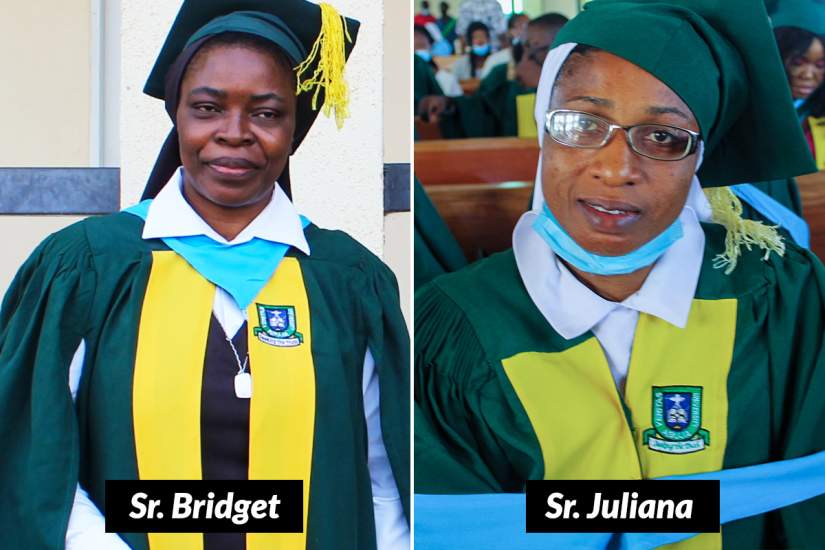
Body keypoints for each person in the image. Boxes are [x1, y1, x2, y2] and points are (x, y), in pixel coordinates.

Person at [0, 1, 410, 549]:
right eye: (208, 108)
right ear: (177, 114)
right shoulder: (88, 268)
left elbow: (384, 481)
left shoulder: (347, 281)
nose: (234, 133)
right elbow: (37, 457)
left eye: (266, 113)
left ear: (294, 125)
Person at [415, 0, 825, 548]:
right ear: (544, 125)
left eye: (664, 137)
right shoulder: (453, 331)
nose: (616, 168)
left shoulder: (783, 300)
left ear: (700, 157)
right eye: (582, 123)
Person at [418, 13, 568, 138]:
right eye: (525, 48)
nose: (525, 57)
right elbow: (480, 109)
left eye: (534, 49)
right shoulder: (503, 76)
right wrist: (449, 105)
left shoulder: (577, 84)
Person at [414, 25, 462, 97]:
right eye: (416, 48)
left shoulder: (446, 78)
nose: (419, 39)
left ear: (431, 46)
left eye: (422, 46)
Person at [479, 12, 530, 79]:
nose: (526, 31)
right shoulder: (495, 60)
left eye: (529, 26)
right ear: (510, 32)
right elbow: (485, 86)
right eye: (522, 26)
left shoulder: (536, 59)